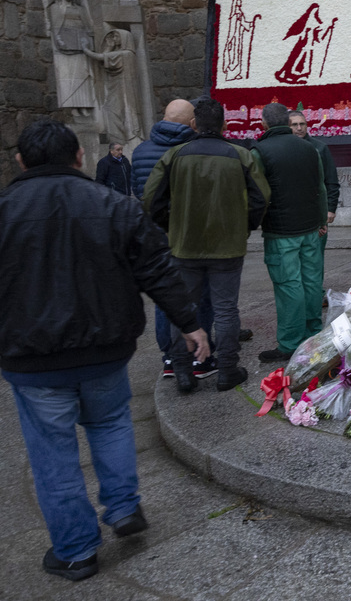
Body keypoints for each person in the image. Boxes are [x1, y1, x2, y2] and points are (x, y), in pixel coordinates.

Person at [0, 118, 207, 582]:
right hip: (104, 348)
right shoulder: (115, 206)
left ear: (20, 161)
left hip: (32, 358)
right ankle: (123, 507)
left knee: (52, 453)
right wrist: (190, 324)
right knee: (110, 424)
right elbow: (156, 269)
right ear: (78, 158)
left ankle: (76, 550)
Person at [143, 99, 270, 393]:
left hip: (184, 245)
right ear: (225, 125)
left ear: (193, 125)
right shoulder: (240, 155)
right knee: (226, 309)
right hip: (227, 246)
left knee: (183, 309)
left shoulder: (175, 155)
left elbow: (152, 199)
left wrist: (172, 225)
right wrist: (245, 226)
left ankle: (183, 371)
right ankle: (227, 369)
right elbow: (260, 198)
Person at [130, 99, 215, 377]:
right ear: (192, 123)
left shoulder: (141, 150)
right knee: (199, 293)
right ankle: (199, 353)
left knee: (164, 293)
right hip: (188, 233)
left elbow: (139, 191)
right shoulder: (191, 150)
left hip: (155, 234)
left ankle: (169, 356)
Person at [251, 103, 327, 362]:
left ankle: (290, 342)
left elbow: (257, 193)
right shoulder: (309, 147)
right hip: (310, 226)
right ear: (286, 121)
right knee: (311, 281)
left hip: (281, 231)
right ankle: (314, 333)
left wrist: (254, 222)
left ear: (264, 123)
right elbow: (320, 186)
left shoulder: (259, 150)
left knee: (288, 284)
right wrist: (321, 218)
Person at [288, 109, 340, 254]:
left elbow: (331, 180)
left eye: (302, 124)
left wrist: (330, 208)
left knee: (314, 258)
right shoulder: (283, 149)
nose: (299, 128)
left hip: (316, 213)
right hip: (292, 214)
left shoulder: (320, 148)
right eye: (295, 125)